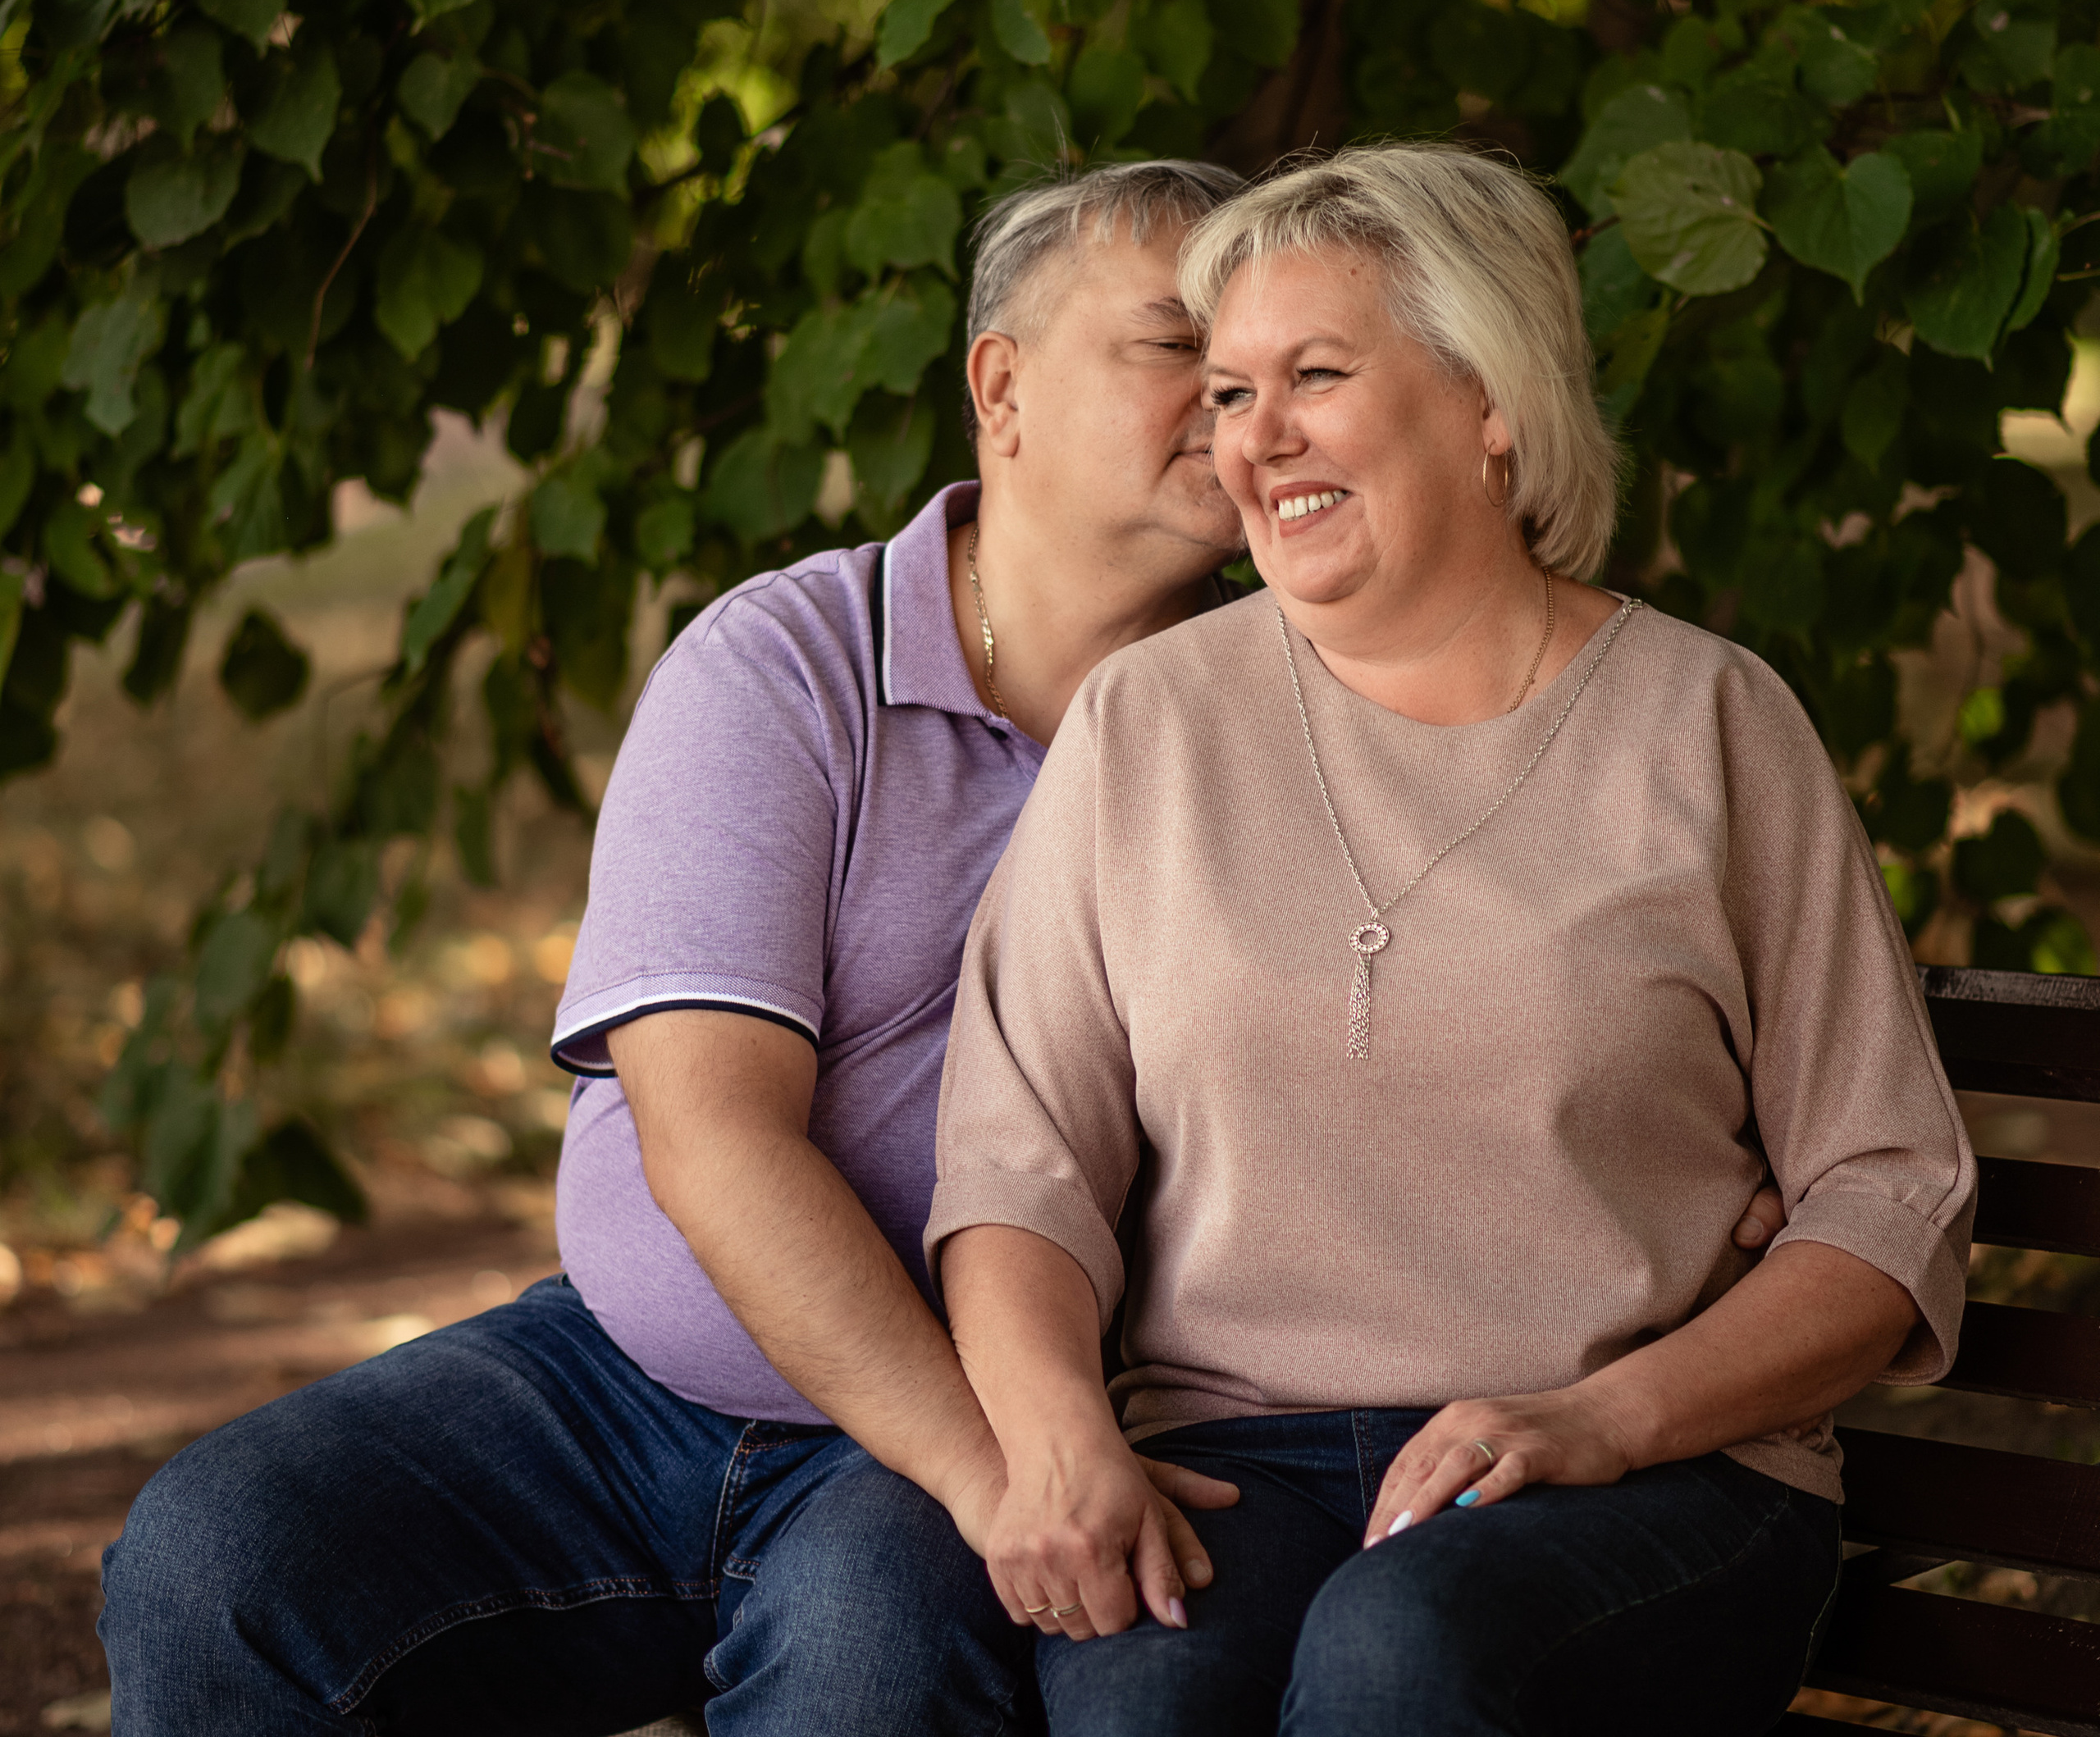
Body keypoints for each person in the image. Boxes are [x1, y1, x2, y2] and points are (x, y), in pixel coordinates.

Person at [98, 155, 1785, 1737]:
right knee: (218, 1555)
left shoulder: (1304, 699)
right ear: (1001, 388)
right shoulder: (786, 665)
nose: (1235, 404)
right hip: (638, 1385)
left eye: (1269, 364)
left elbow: (1501, 976)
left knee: (870, 1662)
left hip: (1021, 1413)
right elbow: (707, 1133)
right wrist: (1003, 1470)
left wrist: (1680, 1189)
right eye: (1178, 351)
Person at [930, 143, 1975, 1737]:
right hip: (1246, 1455)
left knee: (1400, 1647)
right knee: (1139, 1691)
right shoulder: (1148, 722)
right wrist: (1059, 1428)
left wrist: (1600, 1414)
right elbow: (1016, 1164)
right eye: (1222, 390)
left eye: (1314, 374)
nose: (1251, 437)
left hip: (1651, 1471)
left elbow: (1885, 1191)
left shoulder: (1704, 725)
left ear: (1487, 397)